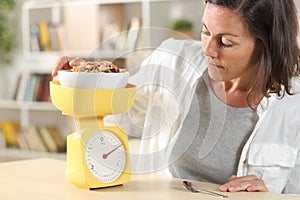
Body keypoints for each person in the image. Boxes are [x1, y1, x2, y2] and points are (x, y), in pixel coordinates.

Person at [52, 0, 300, 195]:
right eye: (205, 32)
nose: (208, 50)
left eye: (225, 42)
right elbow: (123, 111)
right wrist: (89, 78)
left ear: (267, 44)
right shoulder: (173, 59)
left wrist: (268, 194)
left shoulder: (294, 104)